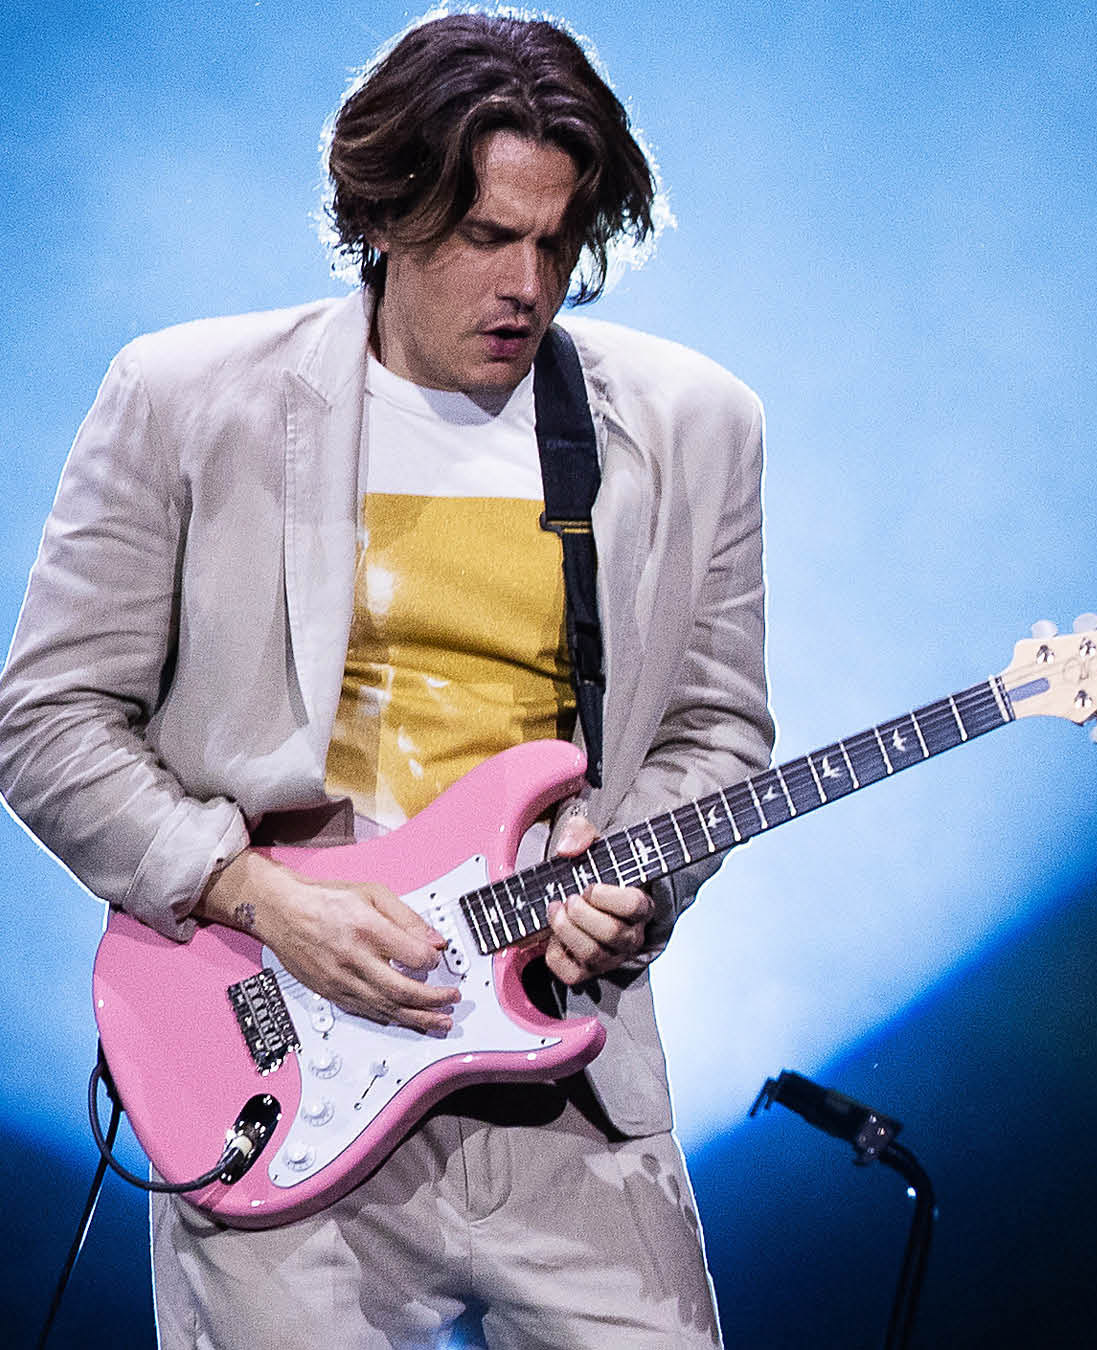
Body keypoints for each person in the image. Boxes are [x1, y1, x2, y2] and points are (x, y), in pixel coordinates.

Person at [0, 12, 770, 1347]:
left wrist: (639, 875)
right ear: (384, 215)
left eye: (558, 238)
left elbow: (717, 725)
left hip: (569, 1094)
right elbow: (47, 719)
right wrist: (256, 893)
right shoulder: (186, 398)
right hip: (281, 1068)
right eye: (485, 236)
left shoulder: (699, 426)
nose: (526, 283)